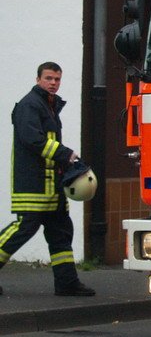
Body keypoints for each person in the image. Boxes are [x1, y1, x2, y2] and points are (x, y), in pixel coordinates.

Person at [0, 63, 95, 296]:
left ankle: (67, 283)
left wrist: (68, 163)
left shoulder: (47, 105)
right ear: (38, 79)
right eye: (49, 78)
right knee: (23, 230)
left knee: (61, 233)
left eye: (57, 79)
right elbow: (33, 140)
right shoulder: (30, 105)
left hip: (52, 187)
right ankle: (67, 283)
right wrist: (66, 154)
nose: (53, 83)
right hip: (34, 186)